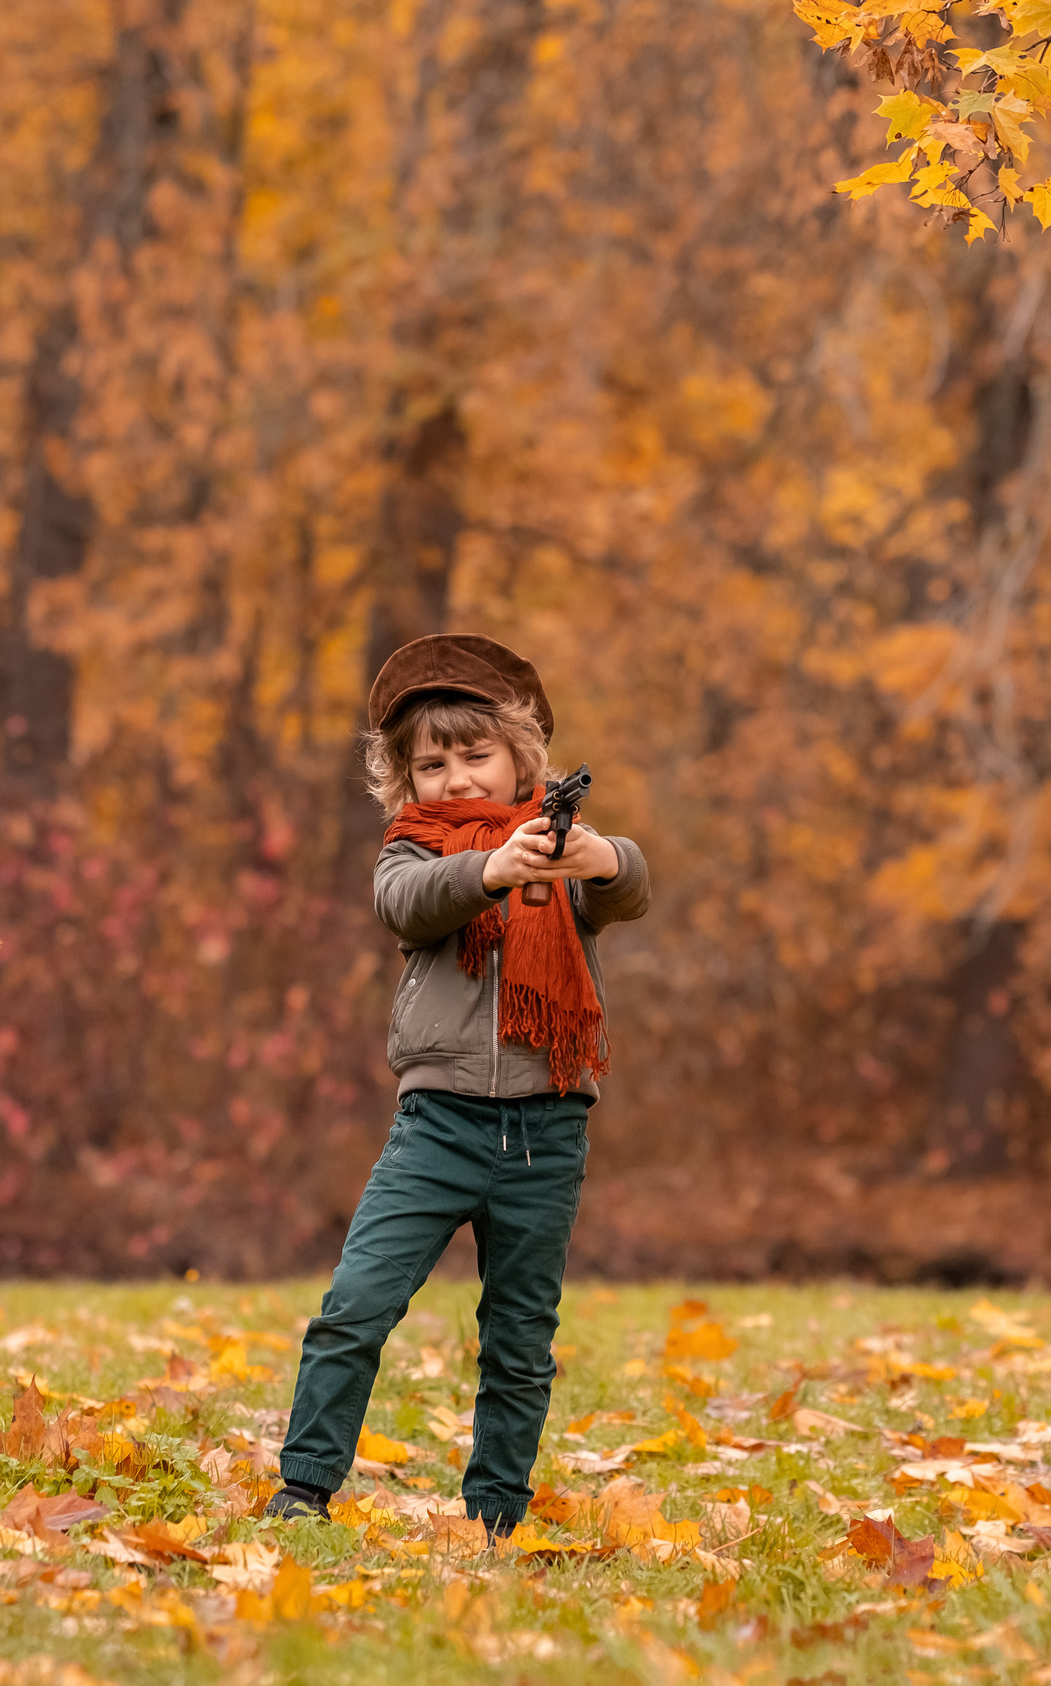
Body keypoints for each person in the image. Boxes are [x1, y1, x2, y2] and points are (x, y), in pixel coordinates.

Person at [263, 633, 652, 1538]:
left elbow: (627, 883)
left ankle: (495, 1517)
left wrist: (595, 857)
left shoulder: (561, 851)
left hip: (548, 1128)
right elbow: (413, 902)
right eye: (431, 763)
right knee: (355, 1306)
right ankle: (305, 1485)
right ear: (403, 780)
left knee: (519, 1340)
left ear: (525, 758)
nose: (457, 778)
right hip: (437, 1125)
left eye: (477, 755)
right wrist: (490, 869)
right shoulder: (411, 852)